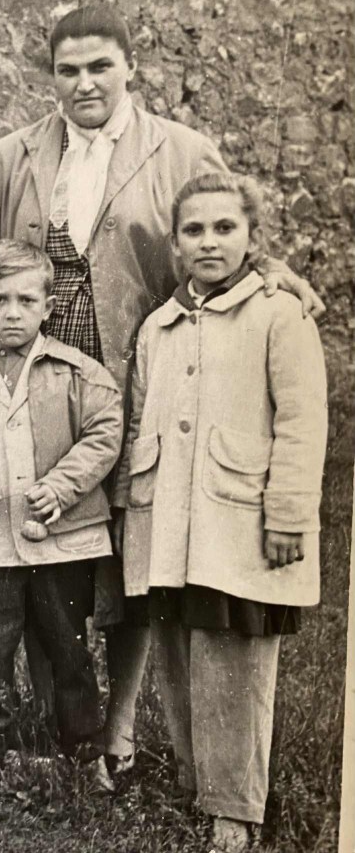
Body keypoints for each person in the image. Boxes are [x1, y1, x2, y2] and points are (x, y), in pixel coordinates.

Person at [0, 3, 323, 777]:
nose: (84, 84)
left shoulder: (180, 150)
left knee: (129, 552)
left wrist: (280, 275)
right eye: (67, 70)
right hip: (33, 383)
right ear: (50, 76)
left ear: (129, 67)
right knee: (42, 544)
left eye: (99, 67)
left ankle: (115, 729)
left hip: (141, 381)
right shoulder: (11, 157)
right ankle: (59, 724)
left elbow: (230, 241)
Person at [116, 171, 327, 852]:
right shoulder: (159, 326)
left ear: (251, 236)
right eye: (194, 230)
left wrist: (286, 513)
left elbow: (301, 422)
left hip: (239, 522)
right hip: (169, 522)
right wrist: (131, 509)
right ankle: (193, 780)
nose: (208, 242)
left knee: (232, 661)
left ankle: (235, 806)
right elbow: (138, 426)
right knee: (178, 653)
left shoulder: (278, 313)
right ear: (175, 245)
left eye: (224, 227)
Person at [0, 240, 123, 794]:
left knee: (70, 650)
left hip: (62, 540)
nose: (12, 313)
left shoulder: (77, 373)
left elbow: (105, 433)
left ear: (48, 306)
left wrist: (61, 485)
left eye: (26, 301)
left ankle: (84, 748)